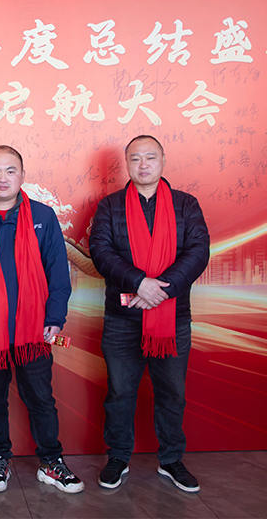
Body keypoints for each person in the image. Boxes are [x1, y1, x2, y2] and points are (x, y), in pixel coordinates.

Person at [0, 145, 84, 494]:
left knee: (41, 398)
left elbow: (58, 272)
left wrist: (55, 316)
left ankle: (51, 461)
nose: (3, 178)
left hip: (34, 329)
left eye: (11, 171)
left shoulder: (42, 216)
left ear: (22, 175)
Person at [89, 135, 209, 492]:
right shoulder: (110, 206)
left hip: (173, 317)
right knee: (120, 391)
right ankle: (118, 457)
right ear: (127, 164)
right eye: (136, 158)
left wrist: (162, 289)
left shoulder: (186, 205)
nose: (143, 165)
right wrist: (139, 283)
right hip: (122, 319)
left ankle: (171, 460)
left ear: (162, 161)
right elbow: (101, 251)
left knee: (172, 393)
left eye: (150, 157)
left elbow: (198, 251)